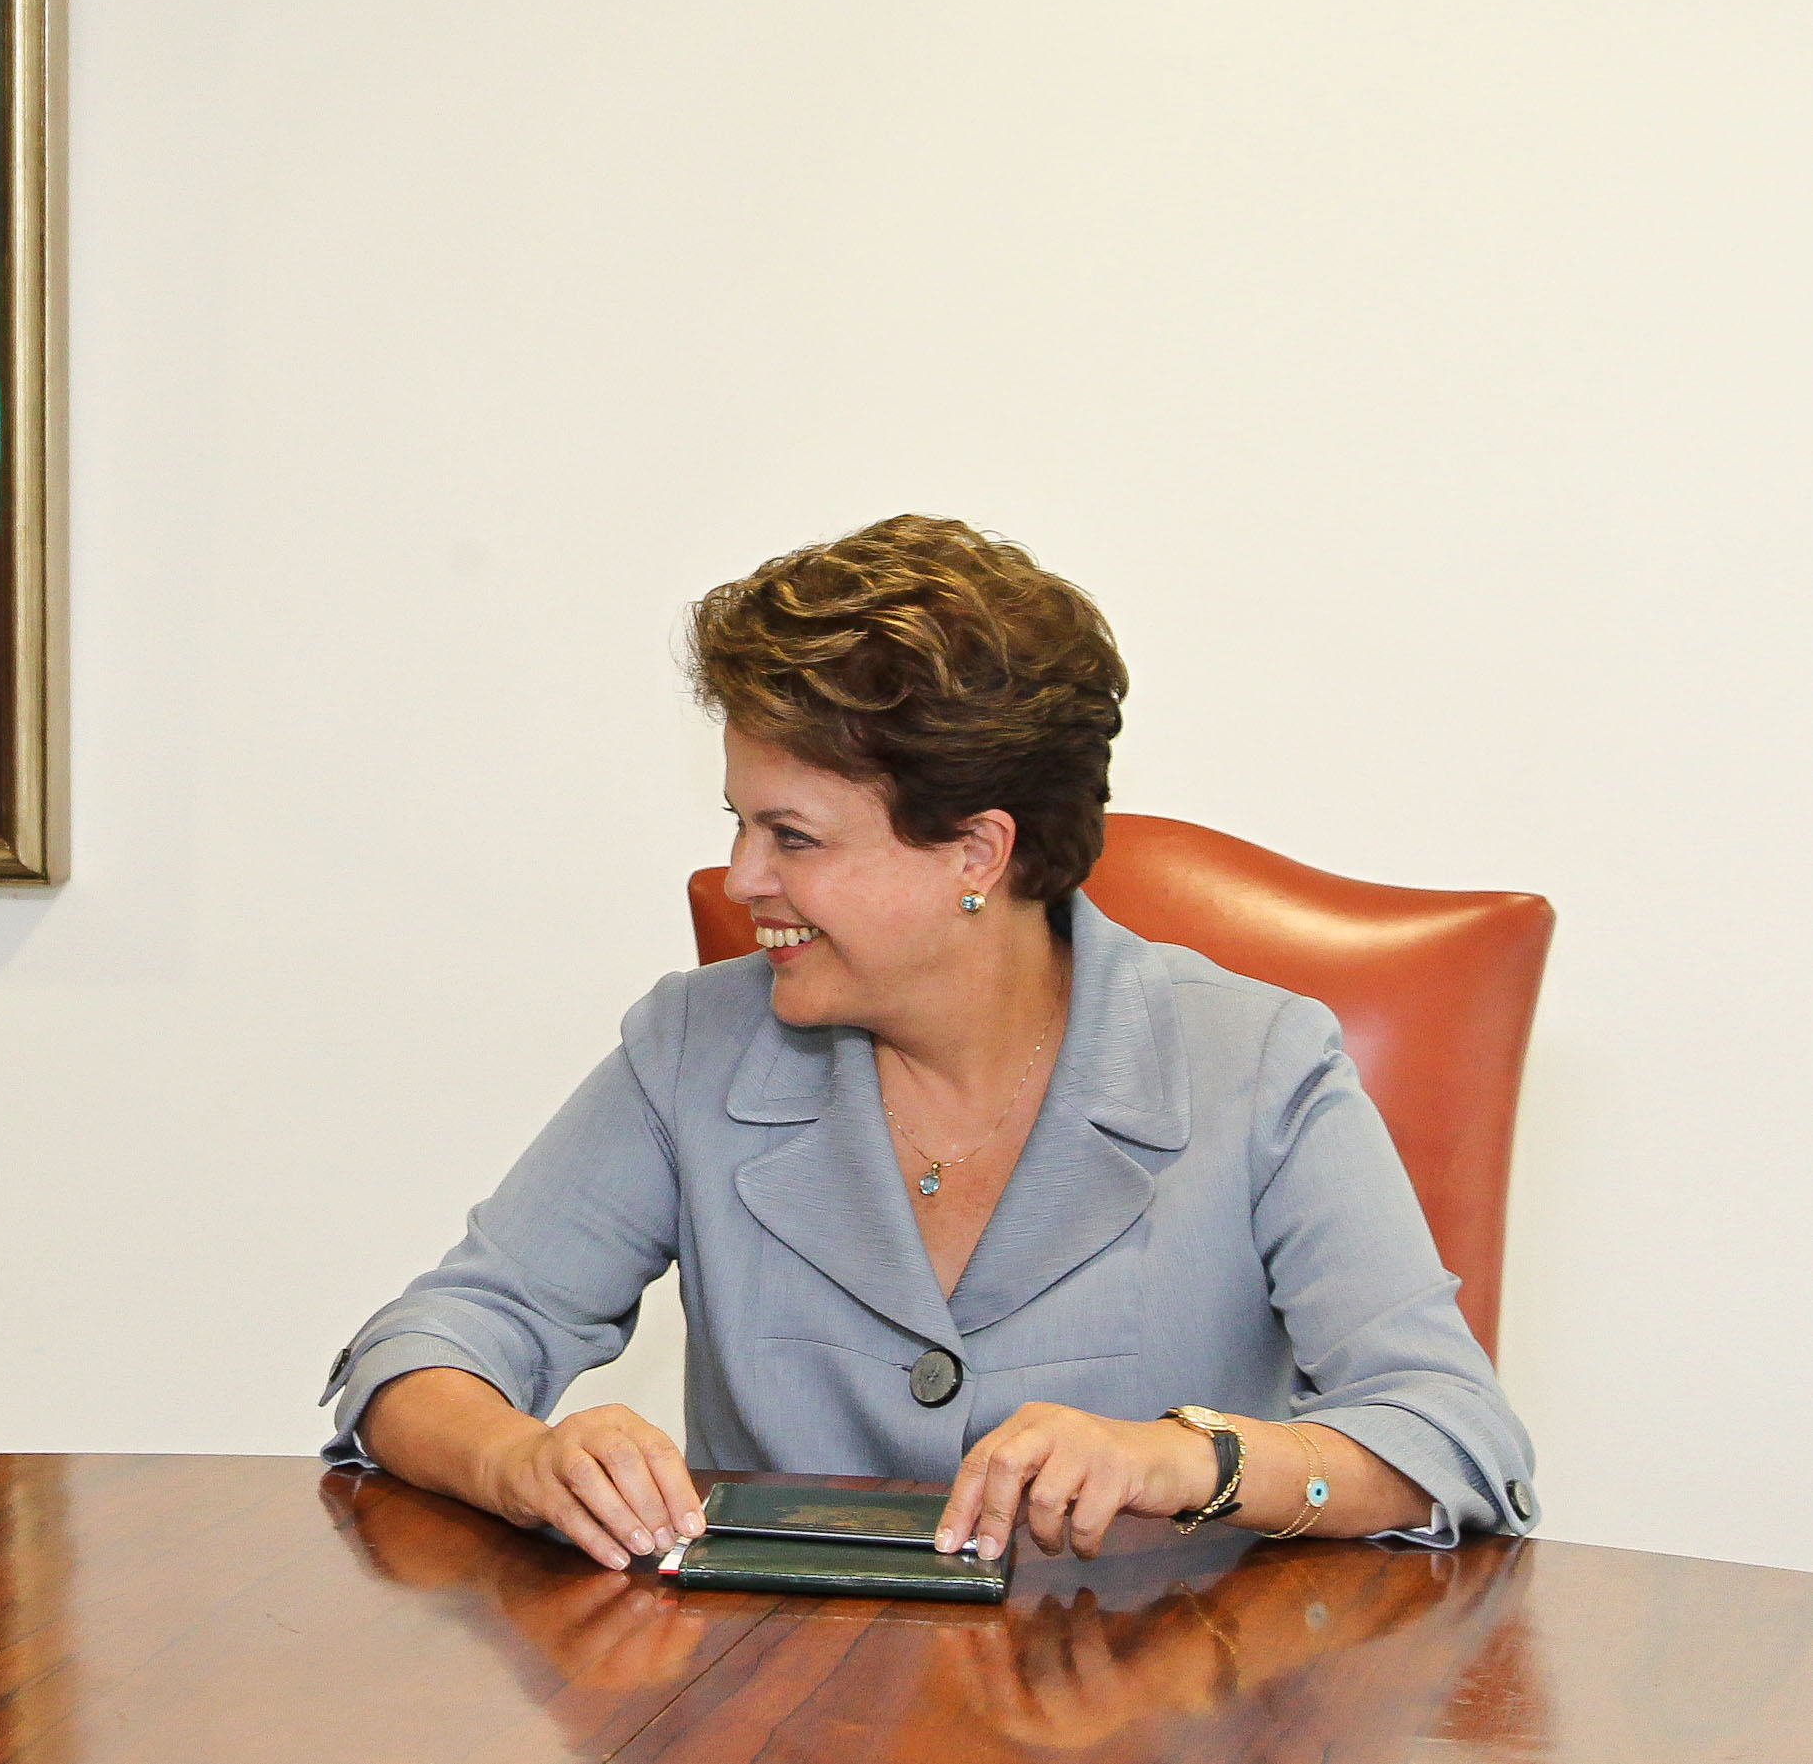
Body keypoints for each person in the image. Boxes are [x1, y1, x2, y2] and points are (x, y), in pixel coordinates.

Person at [325, 515, 1537, 1569]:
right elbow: (424, 1349)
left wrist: (1188, 1460)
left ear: (975, 852)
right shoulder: (692, 1044)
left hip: (1141, 1699)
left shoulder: (1256, 1065)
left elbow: (1451, 1434)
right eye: (738, 824)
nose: (739, 878)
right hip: (772, 1704)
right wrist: (517, 1461)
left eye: (793, 837)